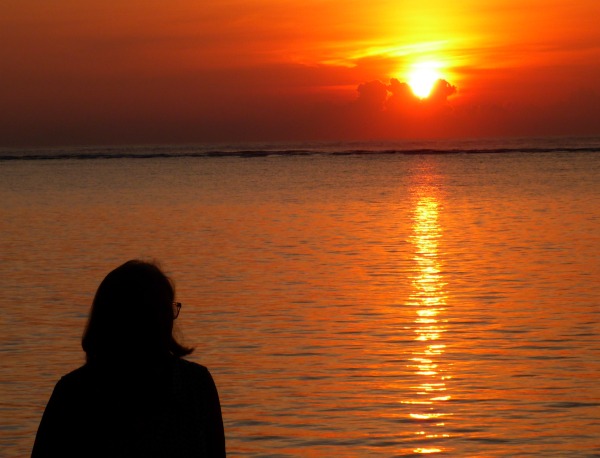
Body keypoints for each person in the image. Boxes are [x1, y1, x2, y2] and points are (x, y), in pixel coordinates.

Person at [32, 260, 226, 457]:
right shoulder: (75, 394)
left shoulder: (74, 391)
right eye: (157, 310)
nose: (166, 319)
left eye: (167, 308)